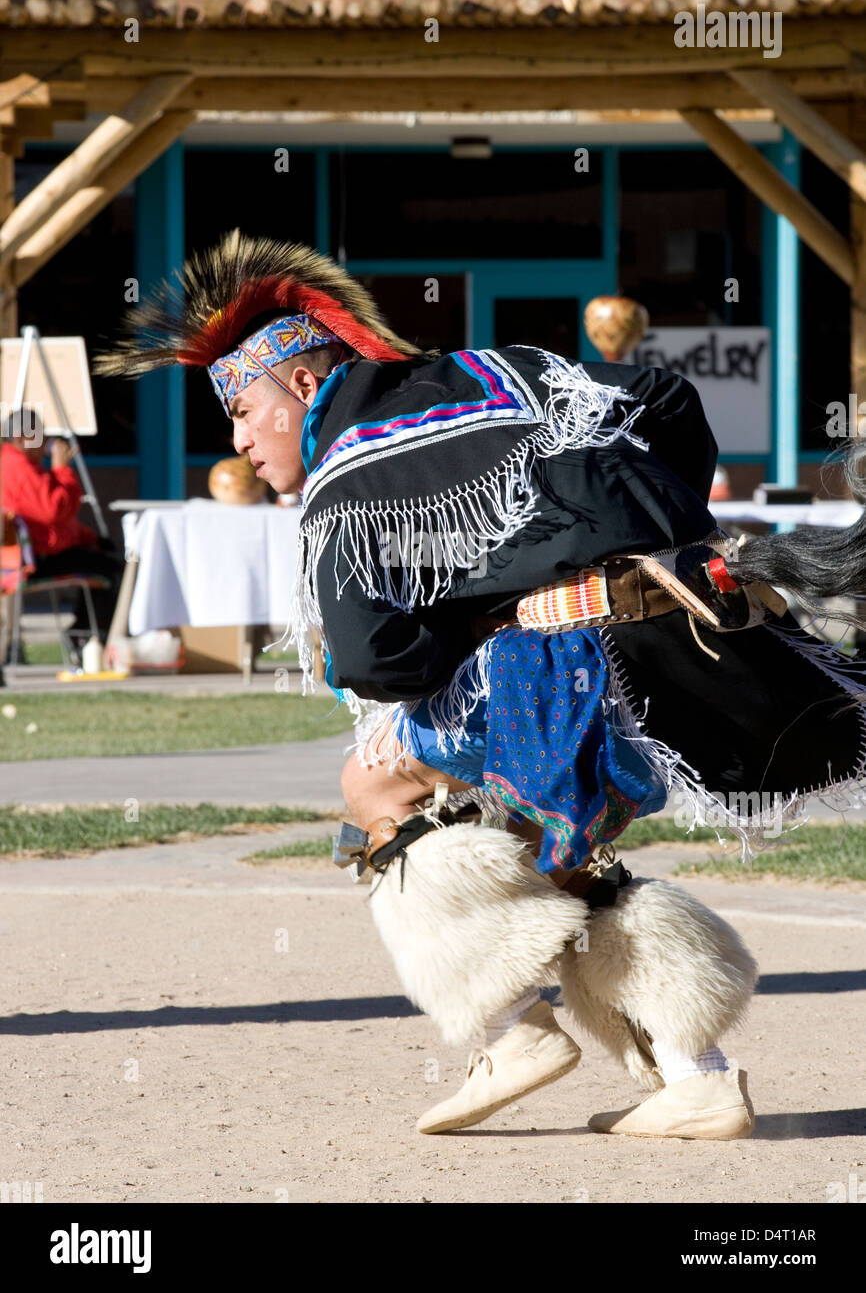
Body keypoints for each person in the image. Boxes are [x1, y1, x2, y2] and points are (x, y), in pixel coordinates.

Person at [97, 230, 866, 1140]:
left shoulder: (347, 481)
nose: (238, 440)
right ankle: (695, 1077)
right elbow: (666, 395)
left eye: (243, 411)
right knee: (555, 846)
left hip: (563, 676)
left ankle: (511, 1032)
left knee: (375, 782)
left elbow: (372, 661)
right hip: (677, 643)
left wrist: (467, 636)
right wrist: (652, 529)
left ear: (304, 385)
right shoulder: (498, 374)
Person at [0, 412, 121, 659]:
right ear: (24, 437)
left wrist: (88, 538)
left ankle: (85, 634)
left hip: (43, 550)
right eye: (41, 436)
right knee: (112, 569)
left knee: (105, 557)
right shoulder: (17, 467)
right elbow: (52, 511)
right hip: (35, 559)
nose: (45, 442)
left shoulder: (23, 465)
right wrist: (62, 470)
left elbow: (58, 524)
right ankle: (85, 638)